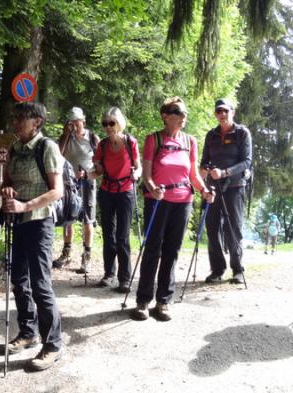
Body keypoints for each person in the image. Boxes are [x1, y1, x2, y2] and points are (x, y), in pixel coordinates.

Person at [132, 97, 214, 321]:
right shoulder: (154, 139)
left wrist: (204, 190)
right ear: (165, 116)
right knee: (152, 250)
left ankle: (163, 301)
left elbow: (193, 174)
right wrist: (153, 188)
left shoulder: (190, 141)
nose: (183, 116)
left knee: (172, 251)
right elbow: (147, 174)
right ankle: (143, 301)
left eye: (185, 112)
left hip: (183, 202)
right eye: (178, 112)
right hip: (158, 201)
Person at [1, 102, 63, 371]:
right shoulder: (15, 148)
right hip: (18, 221)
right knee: (19, 279)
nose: (15, 122)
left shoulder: (47, 147)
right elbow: (7, 184)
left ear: (36, 121)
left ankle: (53, 345)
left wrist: (25, 205)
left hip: (39, 222)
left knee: (40, 284)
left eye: (20, 118)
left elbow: (57, 190)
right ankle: (28, 332)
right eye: (14, 117)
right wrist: (7, 190)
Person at [200, 99, 252, 284]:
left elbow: (247, 162)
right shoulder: (211, 135)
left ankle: (237, 270)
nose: (222, 114)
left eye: (225, 111)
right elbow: (204, 161)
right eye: (218, 111)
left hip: (235, 187)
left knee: (233, 229)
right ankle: (217, 270)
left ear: (232, 112)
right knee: (212, 229)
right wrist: (204, 169)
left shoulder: (242, 133)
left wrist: (225, 172)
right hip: (213, 188)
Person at [92, 107, 142, 292]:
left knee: (122, 236)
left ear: (119, 123)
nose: (108, 127)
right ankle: (109, 274)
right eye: (105, 123)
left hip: (126, 191)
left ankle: (125, 278)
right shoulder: (103, 145)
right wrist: (91, 170)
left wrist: (136, 174)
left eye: (111, 123)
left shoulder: (130, 142)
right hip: (107, 191)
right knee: (108, 234)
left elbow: (138, 167)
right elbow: (98, 169)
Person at [53, 107, 100, 274]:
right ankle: (66, 253)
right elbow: (57, 156)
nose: (74, 125)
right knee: (68, 217)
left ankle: (86, 255)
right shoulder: (66, 137)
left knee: (88, 218)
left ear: (83, 121)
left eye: (77, 122)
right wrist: (66, 135)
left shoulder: (92, 138)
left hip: (88, 181)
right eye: (71, 122)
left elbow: (100, 161)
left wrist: (88, 173)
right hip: (69, 183)